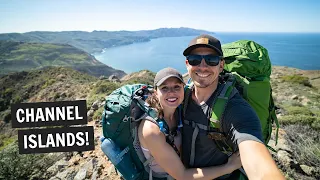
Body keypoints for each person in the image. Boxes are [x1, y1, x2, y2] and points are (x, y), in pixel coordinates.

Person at [181, 34, 285, 180]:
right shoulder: (180, 97)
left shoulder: (235, 109)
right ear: (187, 64)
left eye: (211, 60)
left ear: (221, 65)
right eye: (195, 60)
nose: (203, 67)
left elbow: (258, 164)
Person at [138, 67, 242, 180]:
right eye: (164, 88)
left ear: (184, 89)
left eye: (176, 87)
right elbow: (182, 175)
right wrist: (229, 167)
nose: (171, 92)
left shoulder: (179, 111)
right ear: (155, 93)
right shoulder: (151, 130)